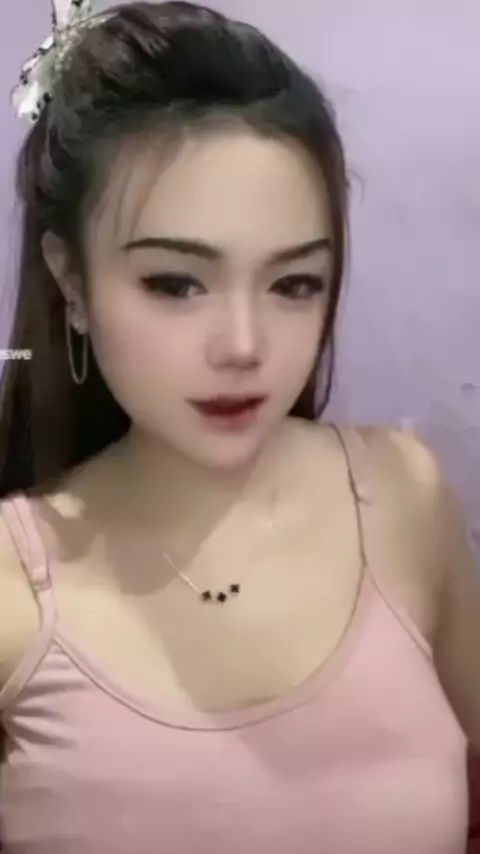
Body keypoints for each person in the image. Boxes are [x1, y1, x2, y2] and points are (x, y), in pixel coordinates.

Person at [0, 2, 478, 852]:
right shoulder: (14, 584)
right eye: (176, 283)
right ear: (71, 280)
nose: (245, 346)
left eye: (294, 284)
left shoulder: (403, 495)